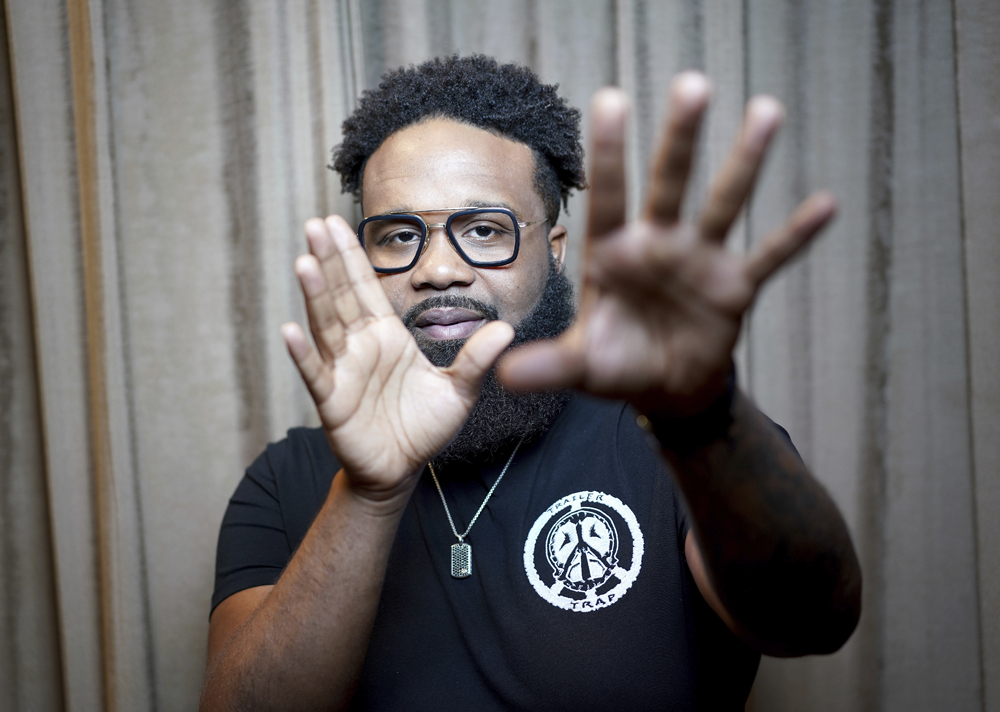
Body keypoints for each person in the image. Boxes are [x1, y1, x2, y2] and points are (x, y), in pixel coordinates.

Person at [200, 55, 861, 711]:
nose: (436, 270)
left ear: (556, 248)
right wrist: (369, 496)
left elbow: (811, 622)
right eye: (399, 236)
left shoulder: (690, 446)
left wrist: (703, 416)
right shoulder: (286, 478)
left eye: (484, 230)